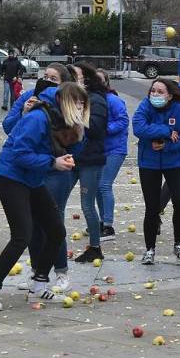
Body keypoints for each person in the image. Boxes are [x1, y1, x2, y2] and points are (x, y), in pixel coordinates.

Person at [0, 83, 86, 311]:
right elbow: (20, 154)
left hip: (32, 179)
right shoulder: (38, 118)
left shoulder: (58, 118)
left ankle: (38, 284)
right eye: (78, 103)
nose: (80, 108)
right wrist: (52, 163)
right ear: (65, 101)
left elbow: (57, 146)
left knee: (56, 230)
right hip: (10, 178)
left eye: (83, 104)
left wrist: (65, 152)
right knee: (22, 236)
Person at [20, 64, 77, 292]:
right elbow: (9, 126)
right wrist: (25, 112)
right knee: (33, 224)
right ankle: (37, 272)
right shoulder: (30, 97)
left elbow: (77, 138)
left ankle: (61, 271)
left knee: (53, 222)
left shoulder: (69, 104)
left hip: (56, 169)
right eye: (45, 77)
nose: (48, 81)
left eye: (54, 79)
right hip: (33, 170)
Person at [133, 79, 180, 264]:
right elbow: (138, 127)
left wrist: (169, 144)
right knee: (152, 206)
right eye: (152, 90)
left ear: (169, 95)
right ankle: (149, 248)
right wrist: (165, 130)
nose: (154, 94)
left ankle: (178, 243)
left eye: (160, 91)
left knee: (179, 202)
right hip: (149, 162)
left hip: (176, 162)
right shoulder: (145, 105)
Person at [67, 62, 108, 263]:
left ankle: (95, 246)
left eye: (76, 76)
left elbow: (97, 129)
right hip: (71, 158)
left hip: (90, 159)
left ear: (87, 79)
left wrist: (79, 114)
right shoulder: (70, 98)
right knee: (55, 200)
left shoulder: (96, 100)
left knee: (87, 205)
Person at [95, 69, 129, 242]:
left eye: (100, 80)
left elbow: (123, 120)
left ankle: (108, 225)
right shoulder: (92, 100)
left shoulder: (113, 100)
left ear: (106, 83)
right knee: (97, 188)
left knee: (104, 185)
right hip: (99, 149)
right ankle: (102, 221)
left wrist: (105, 130)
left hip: (115, 149)